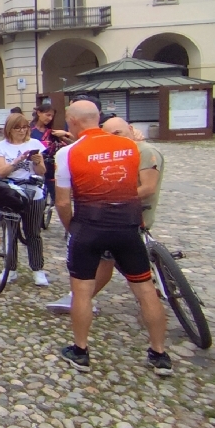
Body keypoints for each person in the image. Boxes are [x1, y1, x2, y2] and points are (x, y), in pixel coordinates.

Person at [53, 101, 172, 375]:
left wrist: (72, 228)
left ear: (72, 121)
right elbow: (142, 184)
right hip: (127, 226)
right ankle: (159, 354)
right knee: (144, 290)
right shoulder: (131, 148)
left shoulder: (68, 153)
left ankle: (81, 351)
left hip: (89, 226)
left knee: (82, 291)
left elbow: (62, 202)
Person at [47, 117, 163, 313]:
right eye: (108, 135)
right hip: (118, 216)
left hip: (131, 215)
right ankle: (79, 298)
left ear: (131, 130)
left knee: (122, 268)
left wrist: (107, 199)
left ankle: (80, 300)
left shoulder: (143, 151)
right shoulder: (116, 150)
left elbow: (148, 188)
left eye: (117, 133)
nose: (112, 139)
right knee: (107, 261)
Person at [0, 113, 50, 286]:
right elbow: (1, 172)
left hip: (33, 192)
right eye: (18, 128)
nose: (22, 131)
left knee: (33, 232)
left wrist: (38, 162)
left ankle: (38, 269)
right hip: (11, 192)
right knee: (11, 233)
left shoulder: (35, 144)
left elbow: (42, 172)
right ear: (10, 129)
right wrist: (18, 160)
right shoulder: (0, 147)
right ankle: (11, 269)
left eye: (25, 127)